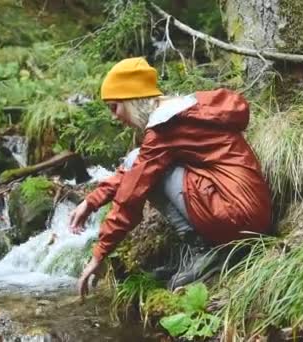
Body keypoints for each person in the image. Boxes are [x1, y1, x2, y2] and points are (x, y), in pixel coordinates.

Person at [69, 57, 272, 298]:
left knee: (145, 167)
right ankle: (213, 247)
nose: (114, 116)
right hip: (252, 212)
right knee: (140, 160)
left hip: (236, 217)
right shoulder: (186, 111)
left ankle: (208, 251)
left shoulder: (165, 127)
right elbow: (138, 167)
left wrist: (99, 254)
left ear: (131, 100)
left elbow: (131, 194)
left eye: (115, 107)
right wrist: (91, 202)